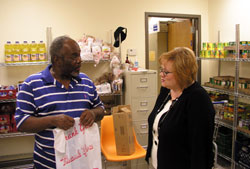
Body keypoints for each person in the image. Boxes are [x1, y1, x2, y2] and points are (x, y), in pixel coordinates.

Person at [15, 36, 105, 168]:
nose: (79, 60)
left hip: (82, 162)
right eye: (74, 57)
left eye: (79, 55)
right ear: (56, 59)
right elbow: (22, 123)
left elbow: (101, 109)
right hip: (48, 164)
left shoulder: (86, 81)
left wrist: (93, 113)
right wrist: (52, 121)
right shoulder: (32, 84)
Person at [146, 47, 215, 169]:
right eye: (161, 70)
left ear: (183, 73)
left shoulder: (198, 99)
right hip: (158, 162)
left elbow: (200, 149)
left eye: (166, 72)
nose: (161, 75)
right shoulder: (166, 91)